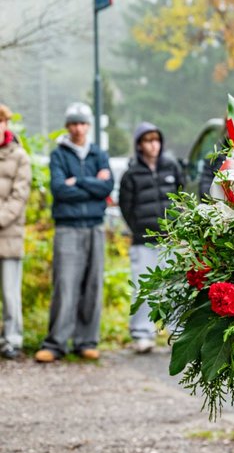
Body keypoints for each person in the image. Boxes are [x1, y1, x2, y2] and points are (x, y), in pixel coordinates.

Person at [34, 103, 113, 363]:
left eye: (82, 123)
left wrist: (77, 181)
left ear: (88, 126)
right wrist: (93, 185)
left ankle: (86, 341)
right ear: (68, 126)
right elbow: (59, 189)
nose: (78, 128)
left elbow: (107, 187)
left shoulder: (99, 154)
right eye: (74, 123)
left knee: (93, 284)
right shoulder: (59, 155)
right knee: (65, 285)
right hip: (67, 227)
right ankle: (55, 343)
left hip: (94, 226)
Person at [119, 122, 185, 353]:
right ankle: (142, 334)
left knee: (176, 287)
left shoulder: (171, 167)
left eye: (156, 139)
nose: (153, 145)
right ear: (139, 145)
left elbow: (182, 197)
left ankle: (178, 332)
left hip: (171, 240)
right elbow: (125, 207)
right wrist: (139, 228)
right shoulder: (131, 174)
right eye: (148, 140)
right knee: (143, 288)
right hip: (143, 241)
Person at [0, 104, 31, 360]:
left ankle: (12, 340)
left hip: (9, 234)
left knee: (10, 293)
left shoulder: (20, 156)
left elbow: (19, 196)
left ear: (5, 124)